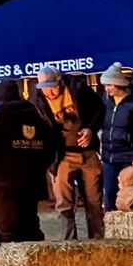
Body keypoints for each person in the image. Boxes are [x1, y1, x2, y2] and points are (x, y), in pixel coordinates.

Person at [0, 80, 59, 245]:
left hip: (0, 185)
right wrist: (38, 168)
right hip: (30, 183)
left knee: (8, 230)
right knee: (31, 227)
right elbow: (51, 146)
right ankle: (37, 264)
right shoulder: (35, 115)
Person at [32, 68, 106, 239]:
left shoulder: (78, 89)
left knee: (94, 199)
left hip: (87, 152)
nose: (49, 92)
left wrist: (90, 129)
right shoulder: (37, 101)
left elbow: (99, 109)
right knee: (64, 202)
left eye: (53, 87)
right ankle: (69, 243)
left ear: (60, 82)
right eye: (45, 88)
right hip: (61, 155)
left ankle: (98, 240)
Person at [97, 63, 133, 212]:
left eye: (109, 85)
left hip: (130, 156)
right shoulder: (107, 102)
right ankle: (111, 226)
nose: (107, 88)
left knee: (132, 195)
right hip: (110, 156)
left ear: (119, 84)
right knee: (109, 193)